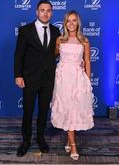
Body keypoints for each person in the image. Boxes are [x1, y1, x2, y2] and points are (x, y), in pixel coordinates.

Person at [14, 0, 60, 157]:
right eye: (42, 10)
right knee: (28, 111)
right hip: (30, 78)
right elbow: (18, 54)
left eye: (48, 10)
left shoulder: (56, 31)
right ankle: (26, 141)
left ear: (52, 13)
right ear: (36, 12)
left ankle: (40, 138)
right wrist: (18, 75)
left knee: (43, 111)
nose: (45, 13)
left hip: (48, 79)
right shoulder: (25, 30)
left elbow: (59, 53)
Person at [51, 10, 94, 160]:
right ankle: (73, 145)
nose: (71, 23)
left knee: (75, 109)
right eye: (68, 21)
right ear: (65, 23)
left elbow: (87, 61)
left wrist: (87, 81)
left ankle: (70, 140)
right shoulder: (60, 40)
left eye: (74, 20)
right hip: (63, 79)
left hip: (77, 78)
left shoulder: (84, 41)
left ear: (78, 23)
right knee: (67, 108)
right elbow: (54, 55)